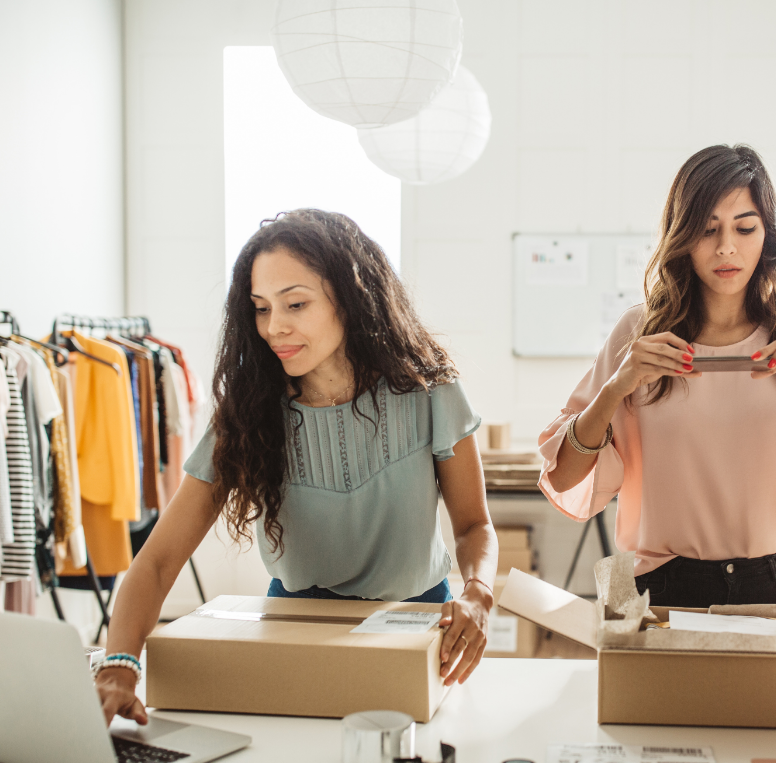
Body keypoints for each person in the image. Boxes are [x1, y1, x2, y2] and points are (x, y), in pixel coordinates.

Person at [97, 210, 497, 725]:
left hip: (419, 624)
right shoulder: (247, 411)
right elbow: (155, 562)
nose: (274, 327)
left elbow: (473, 526)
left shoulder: (430, 389)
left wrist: (478, 593)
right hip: (293, 621)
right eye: (261, 308)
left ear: (352, 298)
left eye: (296, 304)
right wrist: (119, 662)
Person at [539, 144, 776, 609]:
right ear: (682, 236)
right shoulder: (639, 335)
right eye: (707, 229)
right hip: (668, 589)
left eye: (745, 227)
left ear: (768, 234)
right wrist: (617, 386)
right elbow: (564, 478)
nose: (726, 247)